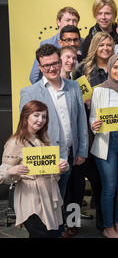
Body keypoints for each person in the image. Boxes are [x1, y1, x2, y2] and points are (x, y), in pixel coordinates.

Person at [20, 44, 88, 200]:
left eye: (55, 63)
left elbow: (81, 121)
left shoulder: (74, 86)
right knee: (48, 202)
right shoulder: (29, 92)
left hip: (70, 155)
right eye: (47, 65)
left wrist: (82, 151)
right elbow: (25, 130)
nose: (52, 68)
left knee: (67, 197)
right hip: (45, 159)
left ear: (60, 61)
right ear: (40, 66)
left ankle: (67, 224)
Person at [0, 100, 69, 238]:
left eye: (44, 116)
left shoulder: (44, 138)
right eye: (36, 115)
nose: (41, 120)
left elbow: (48, 168)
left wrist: (61, 167)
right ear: (26, 117)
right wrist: (11, 171)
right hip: (31, 197)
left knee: (51, 234)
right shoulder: (15, 142)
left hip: (49, 195)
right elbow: (3, 174)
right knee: (42, 233)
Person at [89, 54, 118, 238]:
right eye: (115, 67)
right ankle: (108, 226)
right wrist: (94, 125)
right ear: (109, 69)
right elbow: (93, 116)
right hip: (105, 143)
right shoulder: (99, 90)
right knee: (109, 187)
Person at [29, 6, 81, 84]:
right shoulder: (48, 44)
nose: (71, 24)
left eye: (74, 21)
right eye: (68, 20)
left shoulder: (82, 42)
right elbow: (34, 76)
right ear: (58, 22)